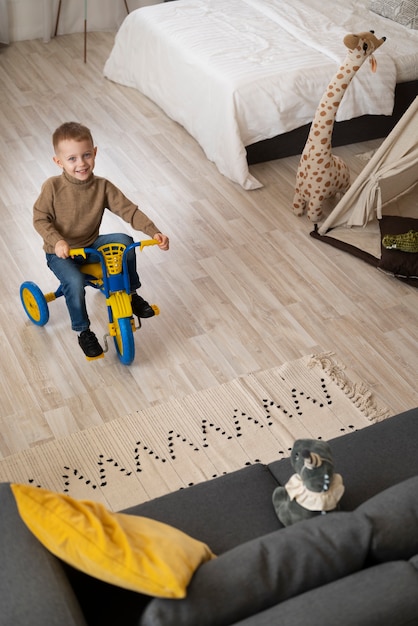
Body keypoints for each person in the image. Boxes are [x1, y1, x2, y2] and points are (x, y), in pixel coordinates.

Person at [33, 121, 169, 359]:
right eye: (72, 158)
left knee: (125, 242)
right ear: (59, 162)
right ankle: (83, 331)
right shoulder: (53, 187)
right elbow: (40, 219)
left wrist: (153, 231)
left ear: (95, 153)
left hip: (90, 244)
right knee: (74, 282)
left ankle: (132, 294)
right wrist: (57, 242)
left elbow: (130, 211)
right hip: (60, 253)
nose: (81, 163)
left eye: (86, 155)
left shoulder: (102, 187)